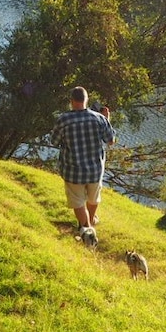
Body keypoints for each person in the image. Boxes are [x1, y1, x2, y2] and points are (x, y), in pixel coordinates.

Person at [51, 86, 116, 231]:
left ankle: (86, 227)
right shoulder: (99, 119)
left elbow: (54, 142)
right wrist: (107, 119)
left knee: (77, 201)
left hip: (73, 170)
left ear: (72, 101)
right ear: (87, 100)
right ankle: (89, 222)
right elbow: (110, 140)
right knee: (93, 199)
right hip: (95, 169)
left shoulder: (63, 120)